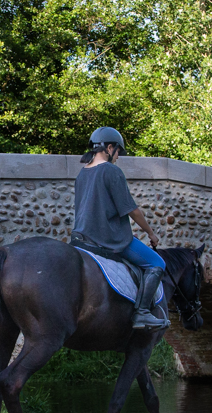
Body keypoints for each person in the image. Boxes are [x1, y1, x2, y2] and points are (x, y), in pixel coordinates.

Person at [71, 127, 168, 330]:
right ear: (109, 147)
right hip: (107, 238)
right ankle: (142, 313)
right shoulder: (111, 171)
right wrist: (150, 233)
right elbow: (131, 210)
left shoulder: (82, 173)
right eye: (118, 152)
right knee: (156, 263)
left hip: (80, 239)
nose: (118, 157)